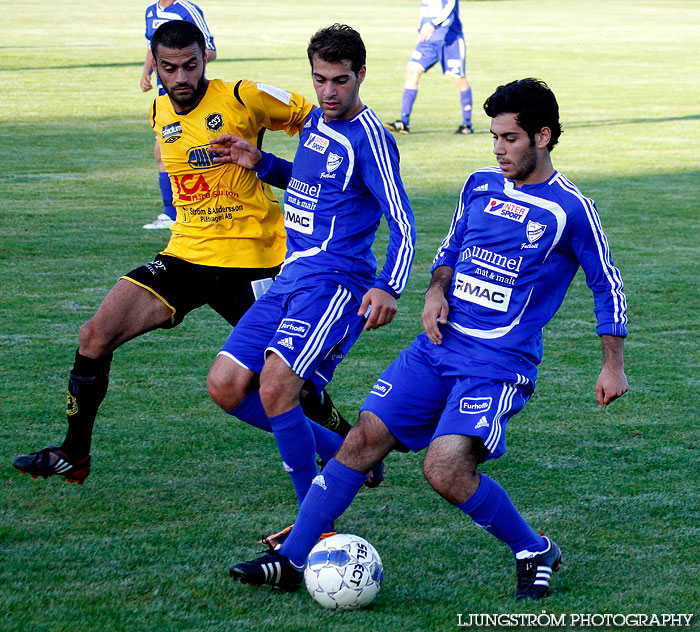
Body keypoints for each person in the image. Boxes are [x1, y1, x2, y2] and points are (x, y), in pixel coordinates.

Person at [228, 78, 629, 600]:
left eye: (509, 139)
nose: (498, 149)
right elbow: (449, 249)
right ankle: (292, 557)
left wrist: (612, 364)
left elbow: (608, 284)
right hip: (437, 346)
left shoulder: (571, 209)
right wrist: (436, 291)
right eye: (494, 138)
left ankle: (534, 549)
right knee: (362, 439)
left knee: (443, 468)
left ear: (543, 137)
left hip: (496, 364)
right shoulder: (479, 185)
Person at [12, 21, 349, 485]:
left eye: (190, 65)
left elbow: (320, 124)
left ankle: (350, 448)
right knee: (94, 336)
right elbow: (174, 159)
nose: (181, 78)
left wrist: (285, 169)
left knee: (295, 382)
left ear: (204, 57)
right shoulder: (158, 111)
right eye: (169, 68)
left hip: (254, 260)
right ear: (156, 65)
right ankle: (74, 453)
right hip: (185, 255)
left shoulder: (243, 96)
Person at [205, 24, 416, 538]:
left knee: (278, 389)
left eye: (340, 81)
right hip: (289, 278)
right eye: (320, 79)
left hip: (335, 283)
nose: (328, 92)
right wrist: (262, 163)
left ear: (361, 75)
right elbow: (311, 183)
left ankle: (314, 527)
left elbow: (404, 223)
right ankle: (352, 456)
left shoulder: (373, 140)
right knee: (227, 386)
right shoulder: (318, 126)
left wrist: (388, 286)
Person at [141, 0, 217, 230]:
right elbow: (152, 46)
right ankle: (176, 213)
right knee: (164, 152)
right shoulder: (151, 11)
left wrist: (183, 63)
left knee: (184, 151)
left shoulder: (187, 10)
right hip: (166, 94)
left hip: (189, 94)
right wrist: (146, 72)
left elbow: (210, 50)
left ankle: (179, 213)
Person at [385, 0, 473, 135]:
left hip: (450, 40)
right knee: (412, 71)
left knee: (458, 78)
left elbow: (450, 5)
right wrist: (422, 30)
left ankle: (467, 124)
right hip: (427, 41)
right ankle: (404, 122)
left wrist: (433, 24)